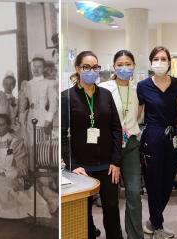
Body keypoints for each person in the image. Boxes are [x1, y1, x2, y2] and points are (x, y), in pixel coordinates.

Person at [61, 51, 123, 239]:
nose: (91, 71)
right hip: (82, 166)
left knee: (112, 207)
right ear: (78, 69)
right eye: (86, 67)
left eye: (95, 67)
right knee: (84, 212)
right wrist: (72, 165)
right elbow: (62, 135)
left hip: (108, 165)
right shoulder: (67, 97)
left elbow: (116, 129)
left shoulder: (105, 94)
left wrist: (116, 161)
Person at [137, 46, 177, 239]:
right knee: (153, 183)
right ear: (151, 62)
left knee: (167, 183)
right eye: (156, 58)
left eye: (163, 58)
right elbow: (137, 114)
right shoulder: (143, 86)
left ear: (169, 62)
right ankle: (158, 227)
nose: (159, 62)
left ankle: (153, 221)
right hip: (152, 137)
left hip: (172, 137)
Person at [99, 50, 144, 239]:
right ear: (113, 66)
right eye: (120, 64)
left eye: (128, 64)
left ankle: (135, 235)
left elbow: (138, 114)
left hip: (131, 145)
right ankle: (115, 235)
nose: (124, 68)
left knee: (134, 192)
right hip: (110, 146)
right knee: (110, 198)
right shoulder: (104, 88)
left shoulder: (137, 89)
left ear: (134, 66)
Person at [0, 113, 51, 219]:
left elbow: (22, 168)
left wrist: (7, 174)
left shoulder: (16, 142)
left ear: (8, 125)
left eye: (1, 125)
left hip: (13, 176)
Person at [19, 57, 57, 169]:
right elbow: (22, 105)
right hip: (31, 117)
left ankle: (43, 178)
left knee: (42, 146)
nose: (36, 69)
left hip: (43, 117)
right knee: (31, 146)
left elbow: (53, 103)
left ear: (43, 68)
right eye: (34, 66)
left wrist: (48, 120)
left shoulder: (48, 83)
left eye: (39, 66)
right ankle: (32, 173)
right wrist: (22, 121)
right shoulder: (27, 84)